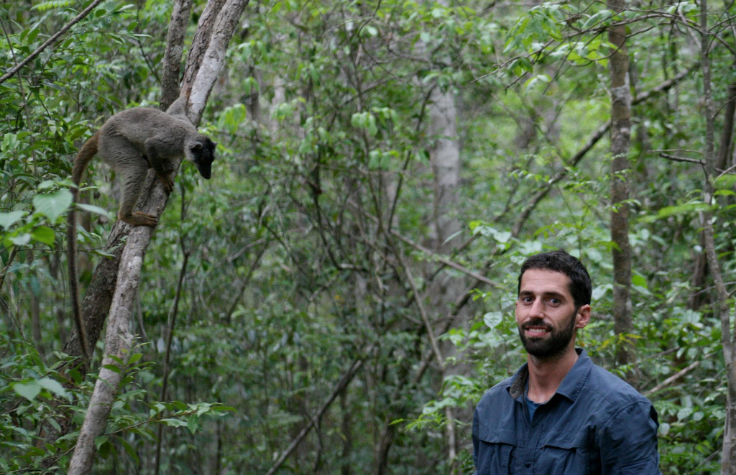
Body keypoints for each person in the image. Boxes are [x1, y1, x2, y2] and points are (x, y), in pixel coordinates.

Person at [472, 250, 660, 474]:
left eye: (553, 300)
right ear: (516, 308)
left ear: (582, 316)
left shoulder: (620, 411)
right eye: (527, 299)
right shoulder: (492, 406)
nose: (535, 312)